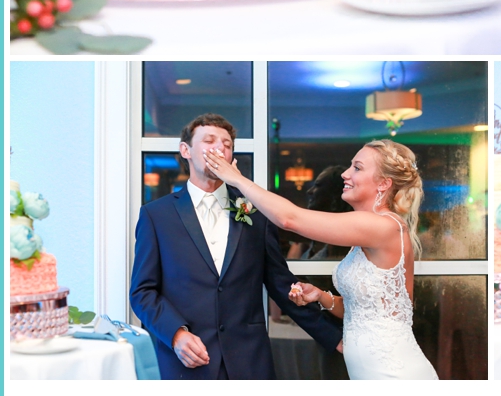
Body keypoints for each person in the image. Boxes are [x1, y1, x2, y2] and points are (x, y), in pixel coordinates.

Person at [129, 114, 343, 380]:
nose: (220, 148)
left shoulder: (255, 211)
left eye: (227, 144)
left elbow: (280, 284)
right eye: (209, 141)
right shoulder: (156, 215)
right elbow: (142, 292)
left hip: (249, 362)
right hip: (186, 363)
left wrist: (335, 337)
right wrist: (176, 334)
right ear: (186, 150)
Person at [202, 139, 437, 380]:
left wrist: (237, 180)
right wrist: (321, 296)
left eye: (357, 168)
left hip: (393, 372)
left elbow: (289, 219)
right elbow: (367, 311)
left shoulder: (383, 226)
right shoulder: (370, 229)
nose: (345, 174)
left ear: (384, 183)